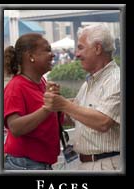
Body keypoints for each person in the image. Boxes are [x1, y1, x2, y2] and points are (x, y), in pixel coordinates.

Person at [44, 24, 120, 171]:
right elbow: (73, 116)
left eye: (80, 47)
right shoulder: (90, 82)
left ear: (97, 48)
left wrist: (64, 104)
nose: (76, 54)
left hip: (107, 164)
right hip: (89, 164)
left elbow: (103, 122)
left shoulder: (116, 80)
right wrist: (55, 103)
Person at [4, 33, 61, 170]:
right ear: (31, 57)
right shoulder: (15, 87)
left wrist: (60, 105)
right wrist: (47, 108)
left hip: (39, 163)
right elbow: (15, 127)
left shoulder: (42, 83)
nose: (52, 55)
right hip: (25, 165)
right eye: (47, 50)